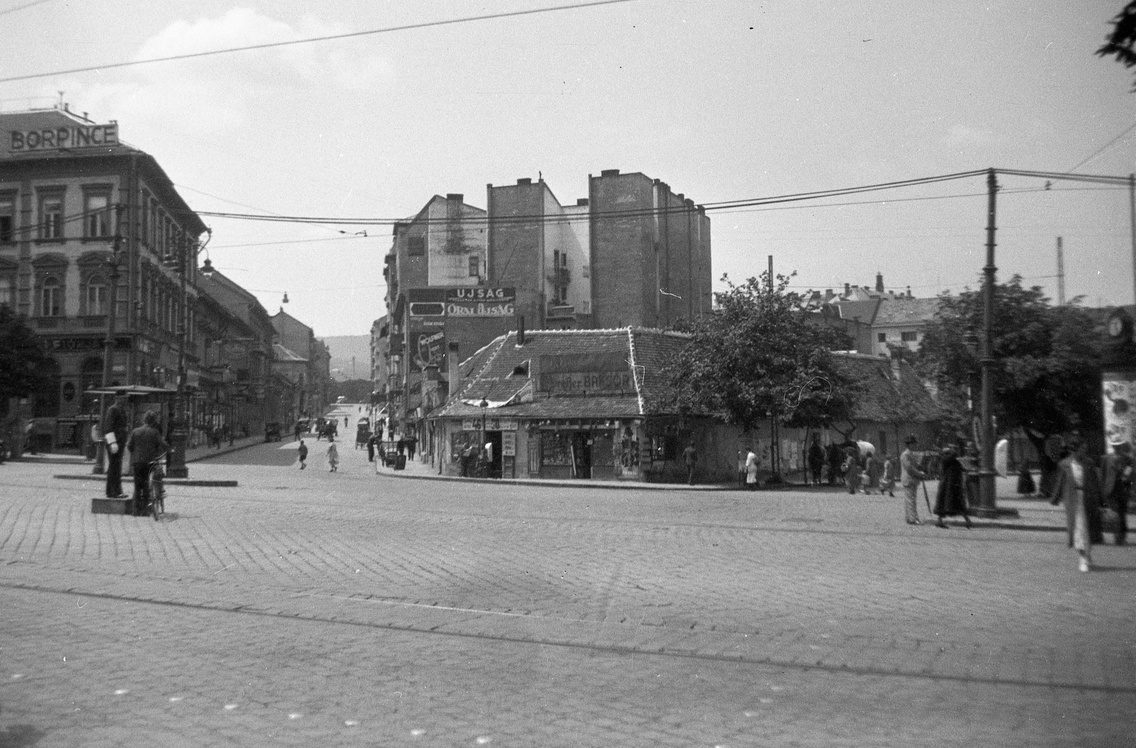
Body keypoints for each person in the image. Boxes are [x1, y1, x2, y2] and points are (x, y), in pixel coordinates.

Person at [1051, 435, 1104, 572]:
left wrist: (1102, 501)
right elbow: (1060, 482)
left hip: (1088, 499)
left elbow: (1096, 482)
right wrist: (1055, 498)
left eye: (1085, 449)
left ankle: (1087, 553)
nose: (1084, 452)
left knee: (1088, 528)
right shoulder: (1064, 464)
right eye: (1082, 449)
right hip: (1072, 500)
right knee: (1078, 528)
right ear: (1074, 450)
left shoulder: (1089, 463)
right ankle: (1083, 558)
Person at [126, 410, 169, 517]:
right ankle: (145, 509)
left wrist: (135, 453)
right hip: (149, 461)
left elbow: (129, 445)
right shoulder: (155, 432)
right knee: (146, 484)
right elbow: (162, 443)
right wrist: (169, 449)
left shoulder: (136, 431)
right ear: (154, 421)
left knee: (137, 484)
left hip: (137, 462)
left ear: (144, 420)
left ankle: (136, 510)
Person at [1101, 439, 1132, 546]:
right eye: (1115, 446)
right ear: (1112, 446)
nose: (1117, 448)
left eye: (1119, 446)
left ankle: (1122, 536)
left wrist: (1126, 477)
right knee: (1115, 514)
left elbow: (1130, 471)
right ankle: (1117, 537)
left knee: (1122, 514)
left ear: (1122, 446)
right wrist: (1103, 490)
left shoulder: (1128, 459)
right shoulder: (1106, 458)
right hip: (1111, 491)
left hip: (1123, 490)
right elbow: (1103, 475)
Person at [934, 445, 973, 529]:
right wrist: (953, 450)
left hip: (951, 485)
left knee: (948, 503)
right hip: (949, 485)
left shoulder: (950, 459)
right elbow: (954, 456)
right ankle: (967, 520)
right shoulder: (946, 459)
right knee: (955, 503)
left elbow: (961, 467)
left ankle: (967, 520)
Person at [102, 390, 130, 499]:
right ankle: (112, 492)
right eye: (124, 398)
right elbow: (108, 428)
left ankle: (117, 491)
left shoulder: (121, 410)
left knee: (117, 467)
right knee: (114, 467)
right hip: (114, 443)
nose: (126, 400)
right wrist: (112, 442)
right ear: (118, 398)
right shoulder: (112, 410)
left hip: (120, 442)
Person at [900, 435, 927, 525]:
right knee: (911, 500)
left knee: (910, 499)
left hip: (912, 480)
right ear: (909, 445)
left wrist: (920, 468)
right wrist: (919, 474)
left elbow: (915, 466)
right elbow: (909, 468)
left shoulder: (911, 454)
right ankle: (913, 519)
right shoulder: (905, 455)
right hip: (909, 480)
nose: (915, 445)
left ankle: (909, 518)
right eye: (914, 444)